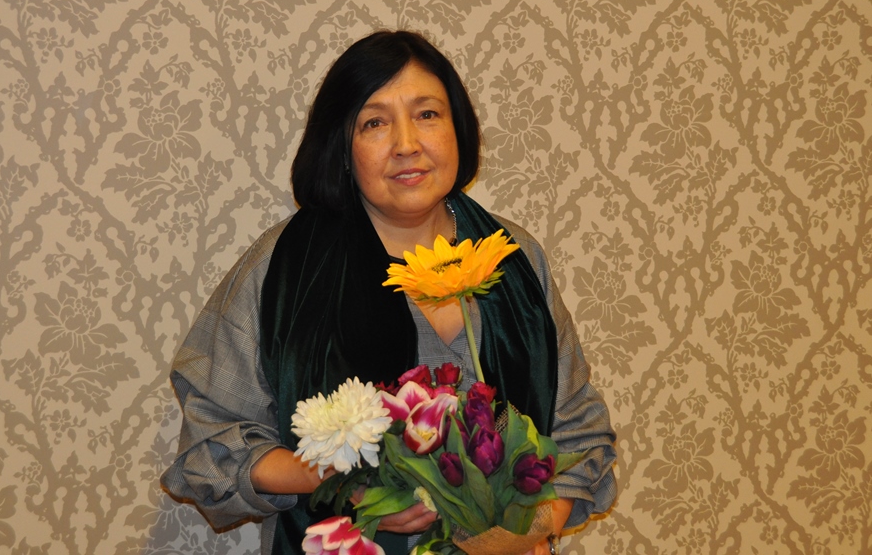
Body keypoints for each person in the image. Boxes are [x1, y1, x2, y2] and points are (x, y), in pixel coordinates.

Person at [160, 30, 617, 555]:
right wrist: (342, 480)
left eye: (428, 114)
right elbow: (213, 441)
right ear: (342, 146)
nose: (406, 144)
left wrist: (528, 532)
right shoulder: (286, 266)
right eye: (374, 123)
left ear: (458, 129)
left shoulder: (513, 257)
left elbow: (580, 432)